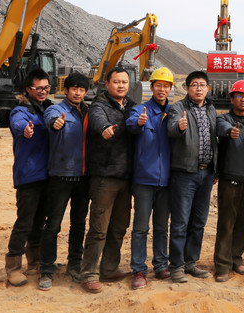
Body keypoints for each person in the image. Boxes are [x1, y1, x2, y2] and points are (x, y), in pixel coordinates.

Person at [78, 66, 137, 293]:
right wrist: (105, 129)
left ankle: (109, 268)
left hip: (126, 177)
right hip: (104, 177)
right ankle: (89, 273)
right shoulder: (99, 106)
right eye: (116, 82)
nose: (121, 85)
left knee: (119, 227)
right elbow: (97, 122)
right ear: (107, 83)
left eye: (124, 82)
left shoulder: (132, 106)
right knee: (99, 228)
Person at [38, 72, 90, 291]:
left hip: (84, 177)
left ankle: (75, 264)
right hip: (60, 175)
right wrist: (56, 124)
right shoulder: (57, 110)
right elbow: (50, 120)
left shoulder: (88, 112)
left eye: (82, 89)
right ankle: (46, 270)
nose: (78, 93)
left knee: (79, 223)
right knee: (53, 224)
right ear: (66, 90)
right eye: (74, 89)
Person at [125, 67, 175, 290]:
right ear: (151, 87)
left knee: (162, 226)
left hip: (166, 181)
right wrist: (139, 123)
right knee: (140, 228)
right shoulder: (140, 110)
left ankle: (161, 265)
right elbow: (130, 124)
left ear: (170, 89)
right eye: (158, 85)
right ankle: (138, 269)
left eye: (166, 86)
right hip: (144, 179)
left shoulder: (174, 113)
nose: (162, 89)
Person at [166, 71, 218, 283]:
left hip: (206, 174)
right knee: (180, 222)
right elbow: (171, 128)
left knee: (198, 222)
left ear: (207, 88)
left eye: (202, 85)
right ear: (187, 88)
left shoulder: (211, 109)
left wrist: (215, 169)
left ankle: (190, 262)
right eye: (194, 85)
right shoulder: (178, 108)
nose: (199, 88)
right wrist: (179, 127)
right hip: (185, 173)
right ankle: (176, 266)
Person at [5, 69, 53, 287]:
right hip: (29, 175)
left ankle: (34, 262)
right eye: (38, 88)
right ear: (28, 89)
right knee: (25, 222)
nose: (43, 91)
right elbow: (18, 122)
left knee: (39, 223)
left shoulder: (49, 108)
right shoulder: (21, 110)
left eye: (46, 87)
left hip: (47, 175)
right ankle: (13, 268)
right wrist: (25, 129)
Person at [213, 80, 244, 282]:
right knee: (226, 223)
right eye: (239, 95)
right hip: (230, 179)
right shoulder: (223, 119)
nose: (243, 99)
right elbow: (222, 128)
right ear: (231, 99)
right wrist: (230, 132)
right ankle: (222, 265)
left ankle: (236, 259)